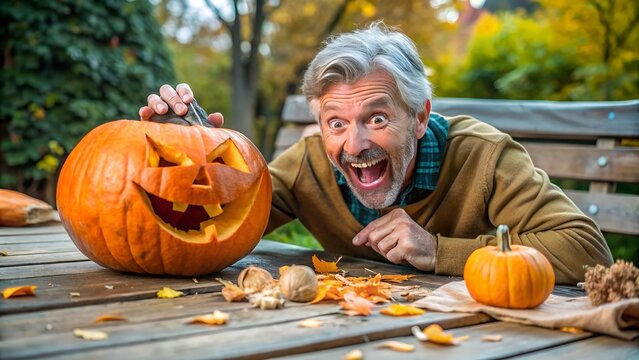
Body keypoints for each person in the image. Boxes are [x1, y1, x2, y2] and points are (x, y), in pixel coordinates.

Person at [139, 23, 613, 284]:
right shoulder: (308, 163)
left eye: (378, 119)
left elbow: (589, 251)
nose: (355, 144)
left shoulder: (483, 157)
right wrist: (181, 143)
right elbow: (215, 221)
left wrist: (438, 250)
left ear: (421, 117)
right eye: (336, 123)